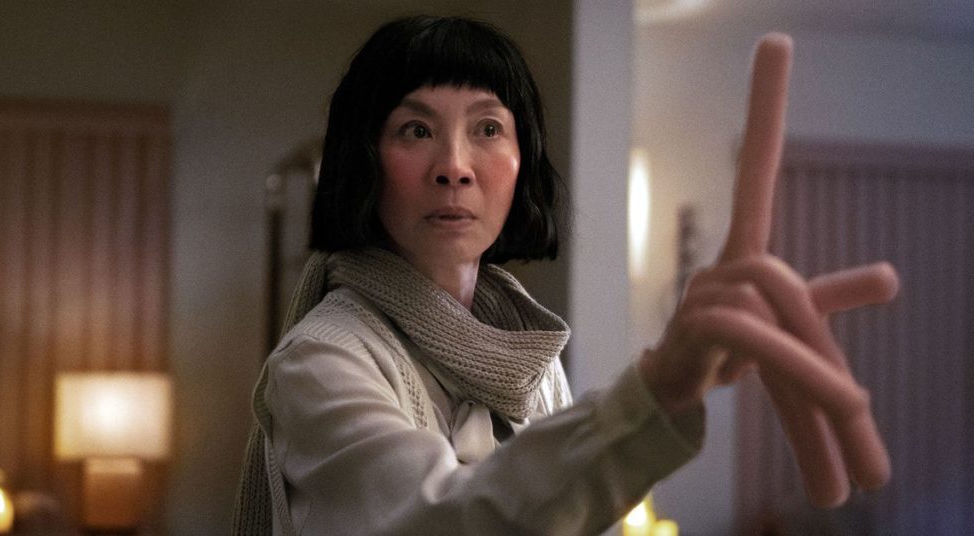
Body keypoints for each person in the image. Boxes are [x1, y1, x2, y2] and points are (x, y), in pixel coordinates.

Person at [233, 15, 898, 535]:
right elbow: (444, 521)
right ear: (364, 161)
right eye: (414, 130)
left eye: (487, 128)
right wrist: (655, 390)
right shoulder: (323, 360)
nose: (454, 166)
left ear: (521, 160)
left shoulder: (531, 360)